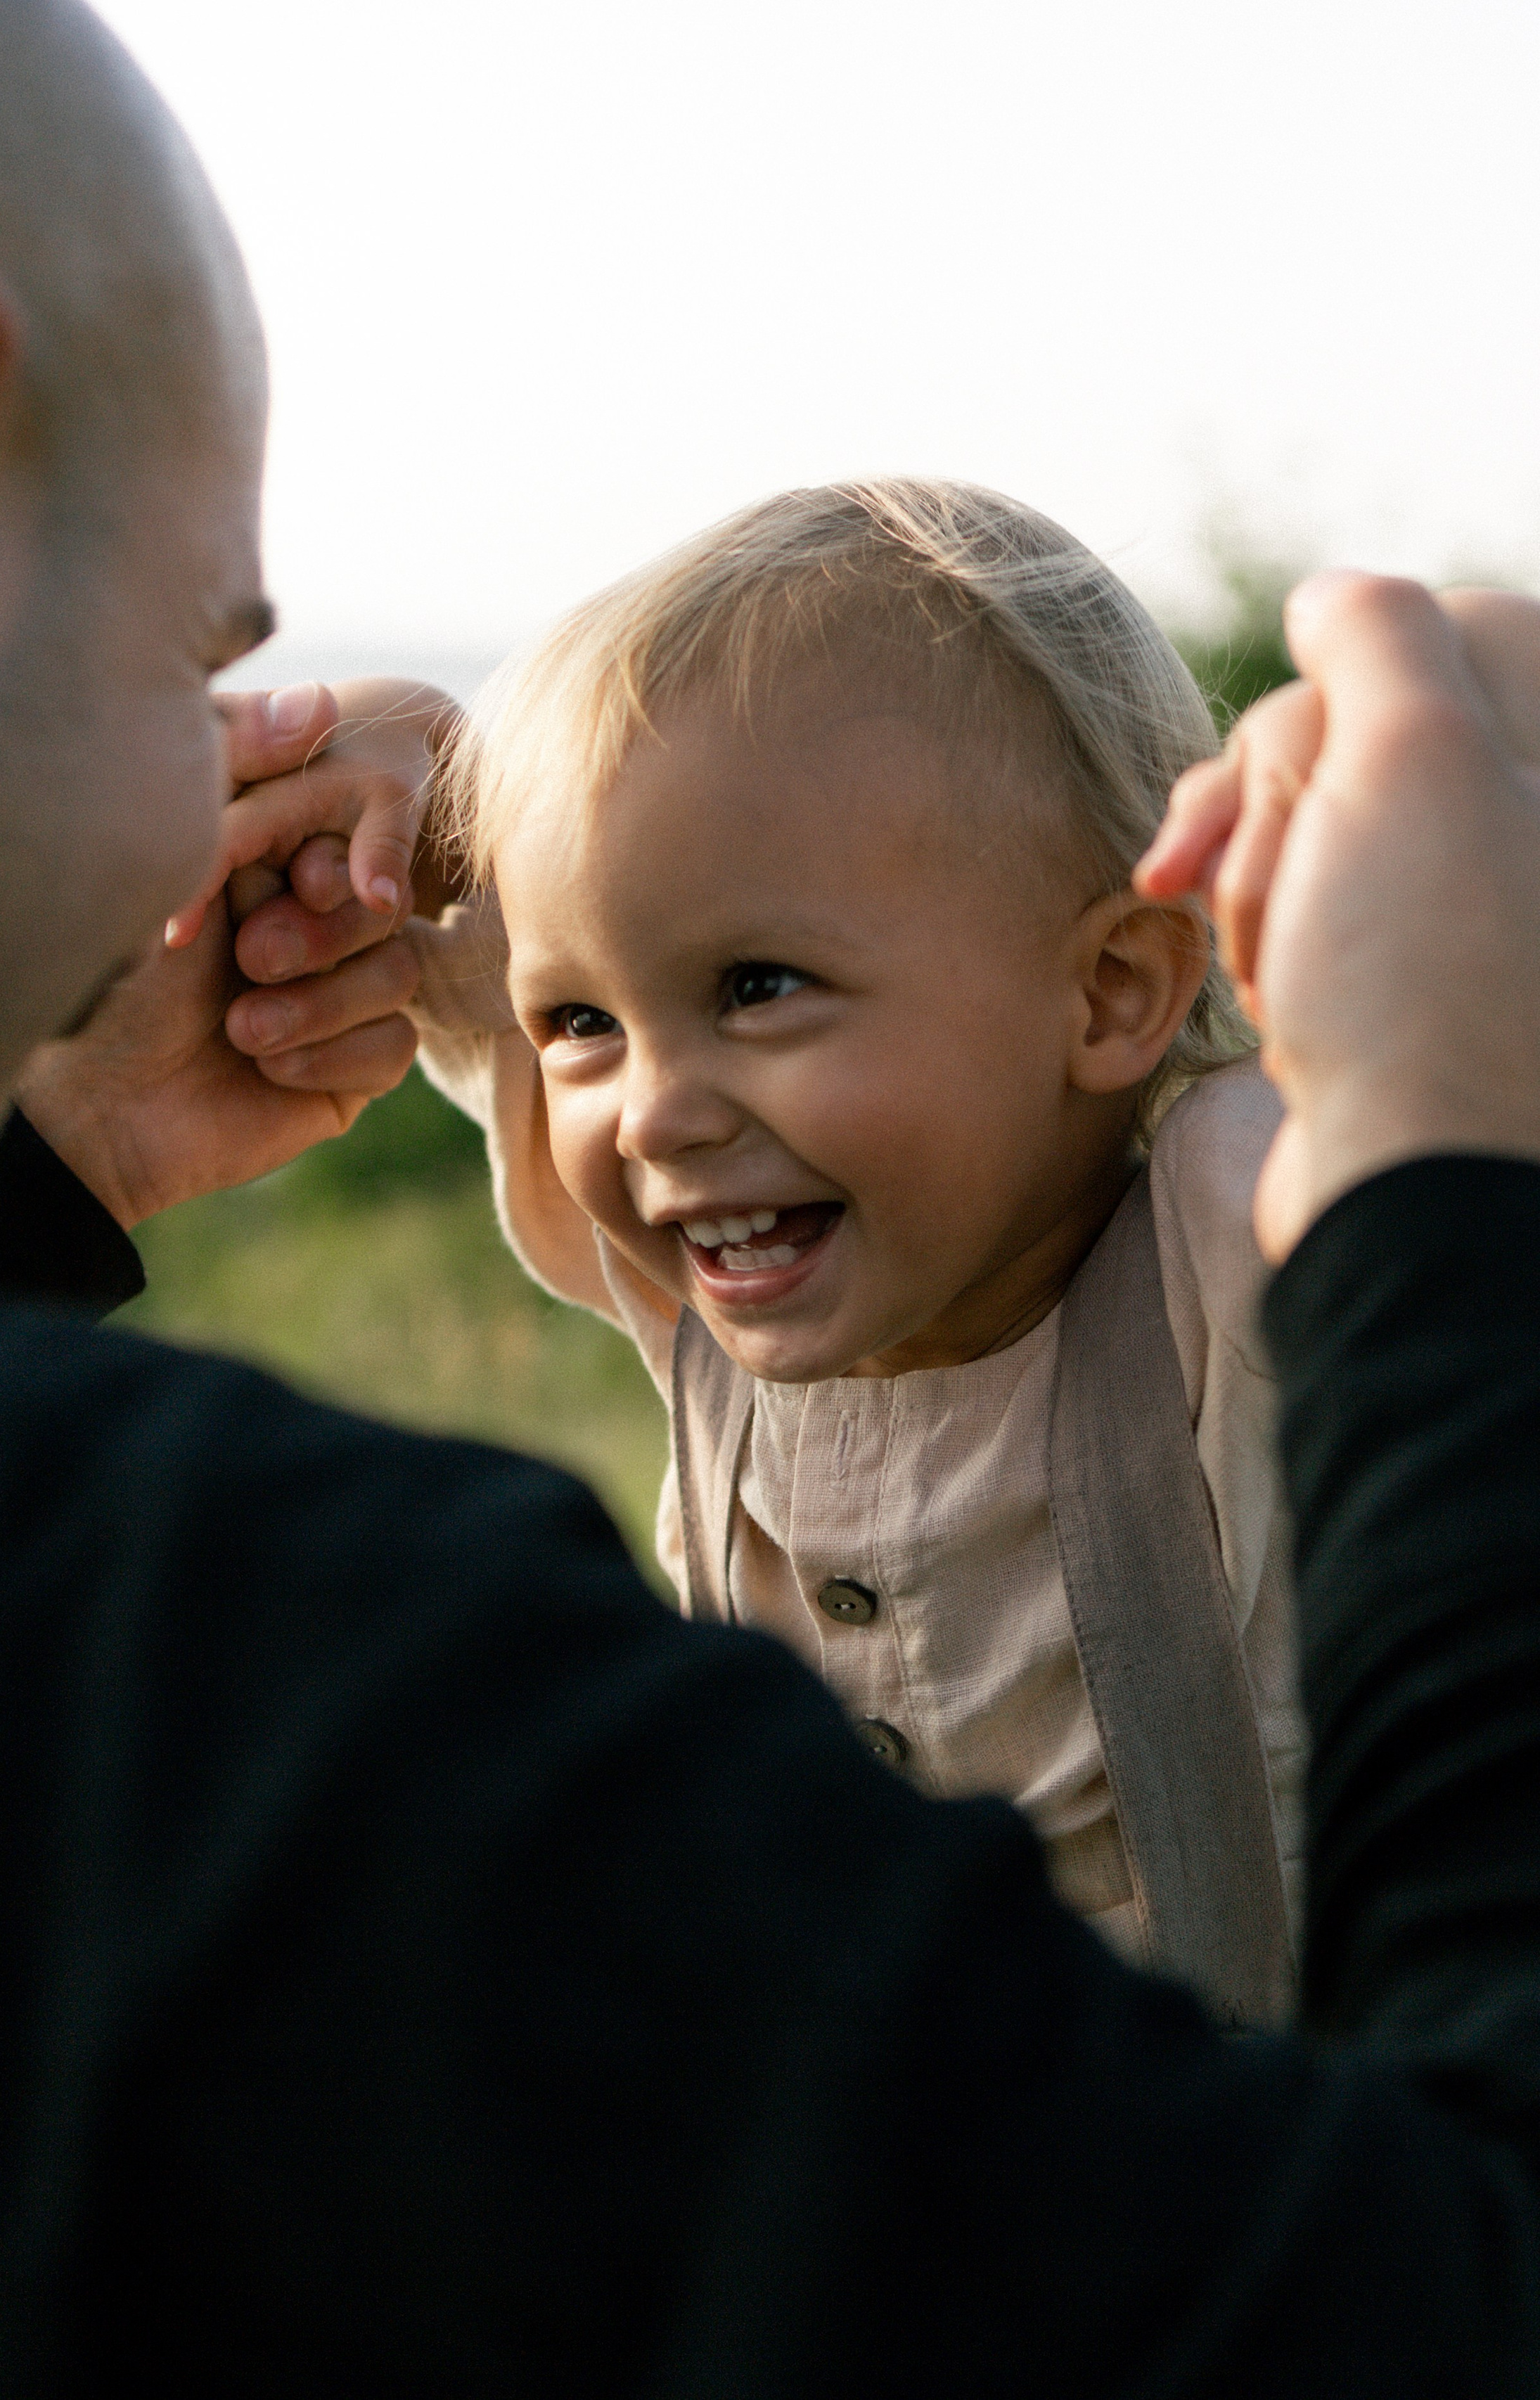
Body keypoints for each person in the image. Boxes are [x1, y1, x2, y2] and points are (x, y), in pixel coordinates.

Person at [0, 4, 1540, 2393]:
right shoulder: (237, 1706)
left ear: (1117, 984)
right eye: (192, 661)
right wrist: (1458, 1174)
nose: (205, 823)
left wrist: (25, 1166)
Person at [184, 480, 1303, 2022]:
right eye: (579, 1021)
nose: (649, 1113)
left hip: (1250, 2203)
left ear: (1112, 990)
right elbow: (446, 917)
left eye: (761, 986)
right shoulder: (692, 1278)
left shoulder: (1230, 1243)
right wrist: (386, 762)